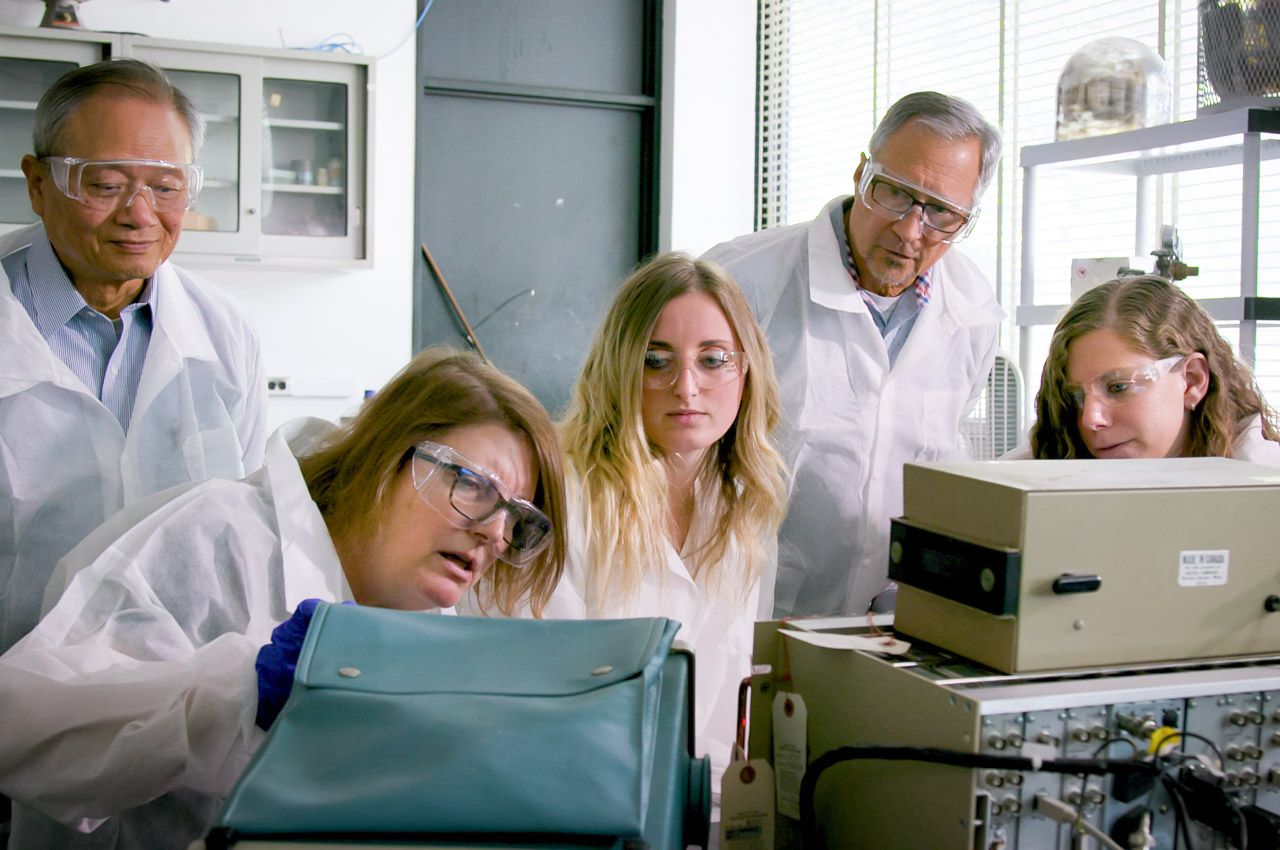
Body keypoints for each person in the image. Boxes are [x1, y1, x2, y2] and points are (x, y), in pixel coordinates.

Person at [0, 347, 567, 850]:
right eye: (474, 486)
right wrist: (242, 690)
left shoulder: (435, 619)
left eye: (517, 520)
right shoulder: (218, 538)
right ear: (386, 457)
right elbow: (26, 731)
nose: (495, 534)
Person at [472, 252, 788, 791]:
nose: (686, 388)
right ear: (619, 366)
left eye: (713, 360)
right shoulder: (560, 493)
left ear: (746, 369)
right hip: (556, 796)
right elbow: (524, 696)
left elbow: (726, 708)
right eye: (655, 360)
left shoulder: (747, 507)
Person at [0, 58, 267, 655]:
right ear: (38, 185)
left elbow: (243, 525)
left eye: (166, 187)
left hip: (174, 691)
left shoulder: (225, 334)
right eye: (106, 184)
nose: (140, 214)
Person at [703, 91, 1003, 617]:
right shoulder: (741, 281)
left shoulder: (974, 312)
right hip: (752, 611)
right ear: (861, 174)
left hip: (890, 622)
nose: (911, 230)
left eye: (942, 213)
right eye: (894, 192)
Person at [1024, 275, 1280, 462]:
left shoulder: (1264, 487)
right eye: (1075, 396)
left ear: (1192, 381)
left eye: (1118, 387)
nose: (1091, 419)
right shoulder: (1040, 465)